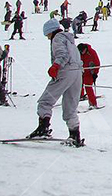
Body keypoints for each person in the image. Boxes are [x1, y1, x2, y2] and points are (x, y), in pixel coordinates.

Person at [28, 18, 83, 146]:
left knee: (45, 100)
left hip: (65, 71)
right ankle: (75, 135)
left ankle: (43, 129)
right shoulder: (70, 41)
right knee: (70, 106)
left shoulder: (57, 38)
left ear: (51, 31)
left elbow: (62, 55)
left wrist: (55, 66)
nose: (48, 38)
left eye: (47, 35)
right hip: (78, 73)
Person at [77, 43, 101, 109]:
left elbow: (97, 63)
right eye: (80, 51)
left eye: (82, 51)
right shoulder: (77, 53)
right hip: (81, 71)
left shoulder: (92, 52)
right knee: (79, 84)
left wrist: (95, 73)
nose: (81, 53)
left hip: (89, 73)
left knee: (88, 87)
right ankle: (80, 96)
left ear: (85, 49)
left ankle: (93, 103)